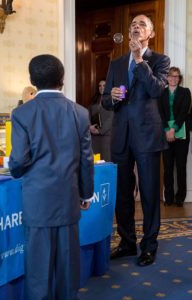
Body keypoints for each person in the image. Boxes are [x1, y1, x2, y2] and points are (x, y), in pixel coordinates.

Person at [9, 54, 94, 300]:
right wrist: (86, 193)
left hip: (37, 203)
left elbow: (18, 161)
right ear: (62, 79)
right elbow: (86, 160)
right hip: (68, 199)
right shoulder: (79, 113)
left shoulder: (22, 114)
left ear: (32, 80)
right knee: (68, 267)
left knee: (38, 270)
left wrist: (16, 171)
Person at [102, 14, 170, 266]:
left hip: (147, 136)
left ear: (150, 34)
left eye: (142, 24)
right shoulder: (117, 63)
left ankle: (149, 245)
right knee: (122, 193)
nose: (136, 27)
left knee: (151, 193)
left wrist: (140, 59)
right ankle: (127, 242)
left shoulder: (160, 60)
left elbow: (156, 90)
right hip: (121, 135)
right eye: (132, 24)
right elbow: (105, 102)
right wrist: (113, 97)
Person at [158, 67, 192, 207]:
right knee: (167, 167)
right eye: (171, 76)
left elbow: (184, 111)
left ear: (180, 78)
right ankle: (169, 197)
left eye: (176, 76)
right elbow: (160, 113)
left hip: (181, 133)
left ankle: (180, 197)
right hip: (165, 133)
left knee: (181, 166)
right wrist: (167, 130)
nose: (173, 79)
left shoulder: (185, 92)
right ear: (167, 78)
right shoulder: (161, 93)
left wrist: (173, 129)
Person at [89, 80, 113, 161]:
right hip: (94, 137)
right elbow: (89, 115)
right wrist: (90, 127)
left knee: (106, 161)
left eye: (104, 85)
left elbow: (111, 118)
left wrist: (100, 131)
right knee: (96, 161)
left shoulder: (112, 100)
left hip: (106, 137)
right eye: (100, 86)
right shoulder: (94, 100)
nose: (102, 87)